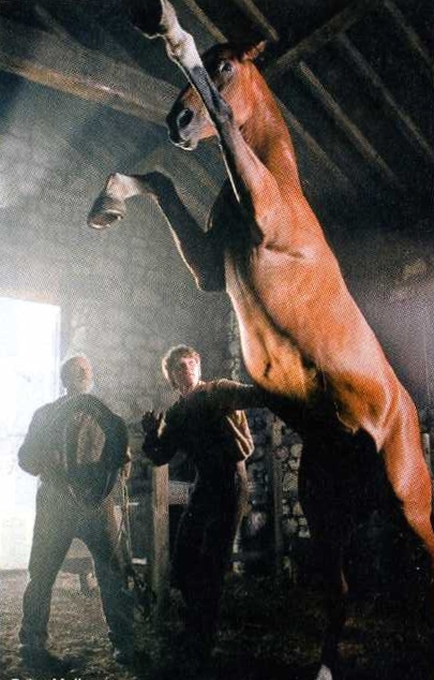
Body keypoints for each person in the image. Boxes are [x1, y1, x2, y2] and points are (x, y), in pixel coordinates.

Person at [142, 345, 262, 664]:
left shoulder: (218, 391)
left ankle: (201, 640)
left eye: (190, 363)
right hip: (204, 484)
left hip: (230, 481)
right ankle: (196, 625)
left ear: (198, 366)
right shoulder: (176, 414)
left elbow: (255, 396)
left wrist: (273, 377)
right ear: (172, 378)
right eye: (179, 367)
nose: (187, 370)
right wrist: (151, 434)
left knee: (211, 564)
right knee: (182, 562)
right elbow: (160, 456)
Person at [18, 355, 134, 665]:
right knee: (42, 572)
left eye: (84, 370)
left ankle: (125, 643)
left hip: (97, 504)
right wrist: (47, 461)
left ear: (91, 376)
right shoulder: (44, 415)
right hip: (57, 503)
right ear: (64, 379)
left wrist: (111, 475)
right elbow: (26, 460)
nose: (81, 374)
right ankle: (32, 644)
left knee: (113, 572)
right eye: (74, 371)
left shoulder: (108, 418)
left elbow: (122, 462)